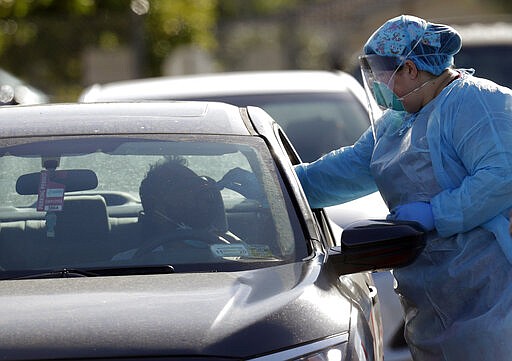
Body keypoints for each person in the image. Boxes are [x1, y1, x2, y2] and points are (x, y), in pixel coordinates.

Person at [294, 15, 512, 361]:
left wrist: (437, 213)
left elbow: (503, 175)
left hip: (491, 294)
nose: (378, 84)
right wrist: (277, 184)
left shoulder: (477, 103)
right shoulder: (396, 123)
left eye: (383, 74)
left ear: (411, 68)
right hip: (432, 301)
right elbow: (344, 170)